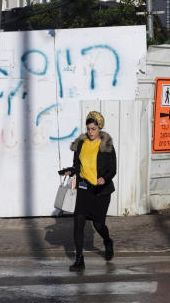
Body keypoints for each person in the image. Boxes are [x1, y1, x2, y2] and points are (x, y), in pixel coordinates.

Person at [61, 110, 116, 271]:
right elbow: (78, 166)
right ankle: (79, 259)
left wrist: (104, 179)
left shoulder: (107, 146)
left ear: (99, 128)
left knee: (99, 225)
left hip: (101, 192)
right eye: (88, 128)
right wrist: (71, 170)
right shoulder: (81, 144)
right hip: (84, 189)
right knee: (78, 223)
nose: (90, 132)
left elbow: (113, 169)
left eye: (93, 129)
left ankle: (107, 241)